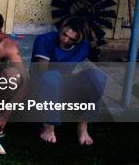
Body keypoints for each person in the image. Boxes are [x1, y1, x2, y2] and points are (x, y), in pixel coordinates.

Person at [31, 16, 106, 145]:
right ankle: (49, 126)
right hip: (41, 83)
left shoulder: (83, 45)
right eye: (64, 34)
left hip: (64, 79)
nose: (65, 39)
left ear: (79, 39)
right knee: (52, 77)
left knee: (97, 76)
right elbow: (44, 72)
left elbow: (80, 69)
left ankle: (82, 126)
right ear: (61, 29)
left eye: (72, 39)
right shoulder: (44, 40)